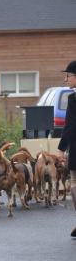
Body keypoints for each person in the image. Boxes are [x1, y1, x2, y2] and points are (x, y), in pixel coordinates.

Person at [57, 60, 76, 238]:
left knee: (74, 187)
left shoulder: (73, 99)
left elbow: (70, 126)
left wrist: (61, 149)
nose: (65, 79)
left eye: (69, 75)